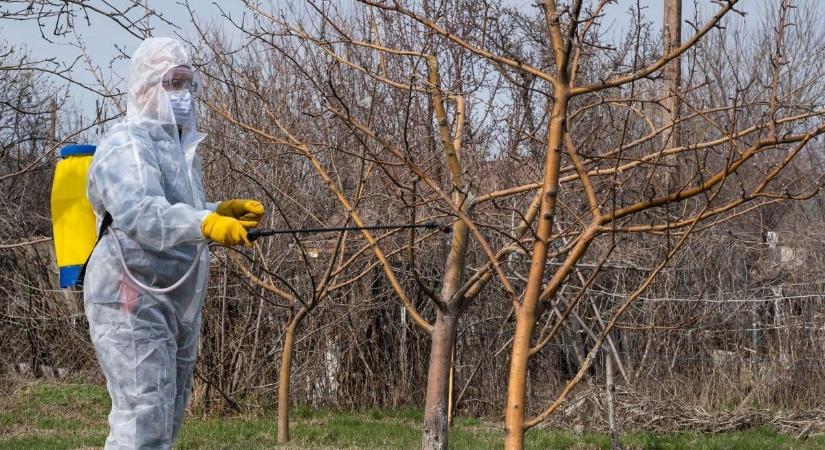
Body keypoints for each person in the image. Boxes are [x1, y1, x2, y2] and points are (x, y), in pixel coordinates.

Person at [84, 37, 264, 449]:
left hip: (172, 298)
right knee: (141, 415)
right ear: (144, 88)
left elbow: (179, 211)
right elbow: (140, 212)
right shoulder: (125, 143)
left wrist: (220, 210)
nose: (181, 94)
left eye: (187, 83)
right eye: (171, 83)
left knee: (166, 413)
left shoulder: (179, 149)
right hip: (131, 294)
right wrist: (206, 221)